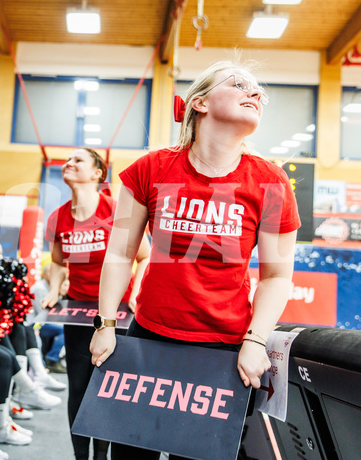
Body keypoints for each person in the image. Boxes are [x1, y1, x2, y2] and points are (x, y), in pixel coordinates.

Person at [90, 59, 300, 459]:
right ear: (199, 102)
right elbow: (120, 252)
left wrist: (256, 340)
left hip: (223, 348)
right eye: (240, 84)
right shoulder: (151, 168)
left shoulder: (270, 181)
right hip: (149, 337)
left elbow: (276, 276)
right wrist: (106, 323)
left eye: (260, 91)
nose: (254, 93)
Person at [42, 147, 150, 460]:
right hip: (78, 311)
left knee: (109, 389)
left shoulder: (116, 211)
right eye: (67, 160)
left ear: (97, 173)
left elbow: (143, 257)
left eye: (78, 160)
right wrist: (54, 288)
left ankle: (102, 455)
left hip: (117, 313)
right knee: (78, 387)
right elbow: (60, 263)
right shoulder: (58, 217)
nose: (69, 163)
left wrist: (135, 293)